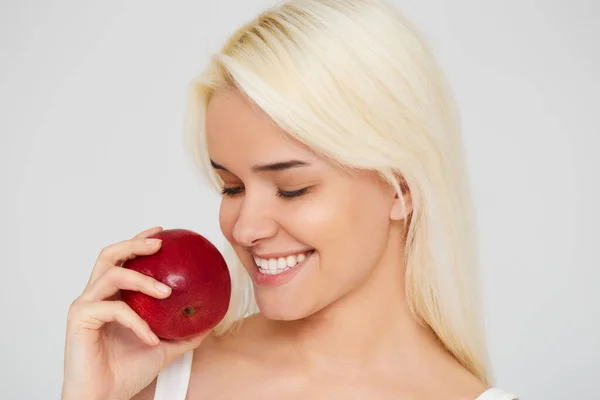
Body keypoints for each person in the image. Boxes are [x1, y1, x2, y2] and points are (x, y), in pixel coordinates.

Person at [61, 0, 519, 399]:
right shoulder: (158, 378)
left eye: (291, 189)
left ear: (399, 187)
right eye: (231, 188)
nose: (244, 229)